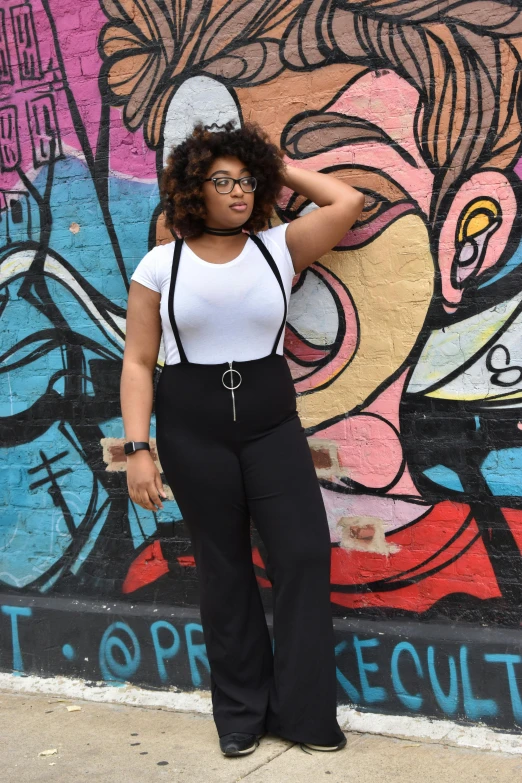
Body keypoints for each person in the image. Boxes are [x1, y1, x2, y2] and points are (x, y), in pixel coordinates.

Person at [120, 120, 365, 757]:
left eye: (244, 180)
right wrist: (138, 450)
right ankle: (239, 714)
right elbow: (138, 362)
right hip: (191, 432)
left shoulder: (278, 247)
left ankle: (306, 714)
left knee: (304, 556)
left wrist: (273, 166)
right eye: (220, 180)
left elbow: (346, 202)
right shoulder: (159, 264)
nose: (236, 191)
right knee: (225, 572)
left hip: (271, 429)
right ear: (191, 188)